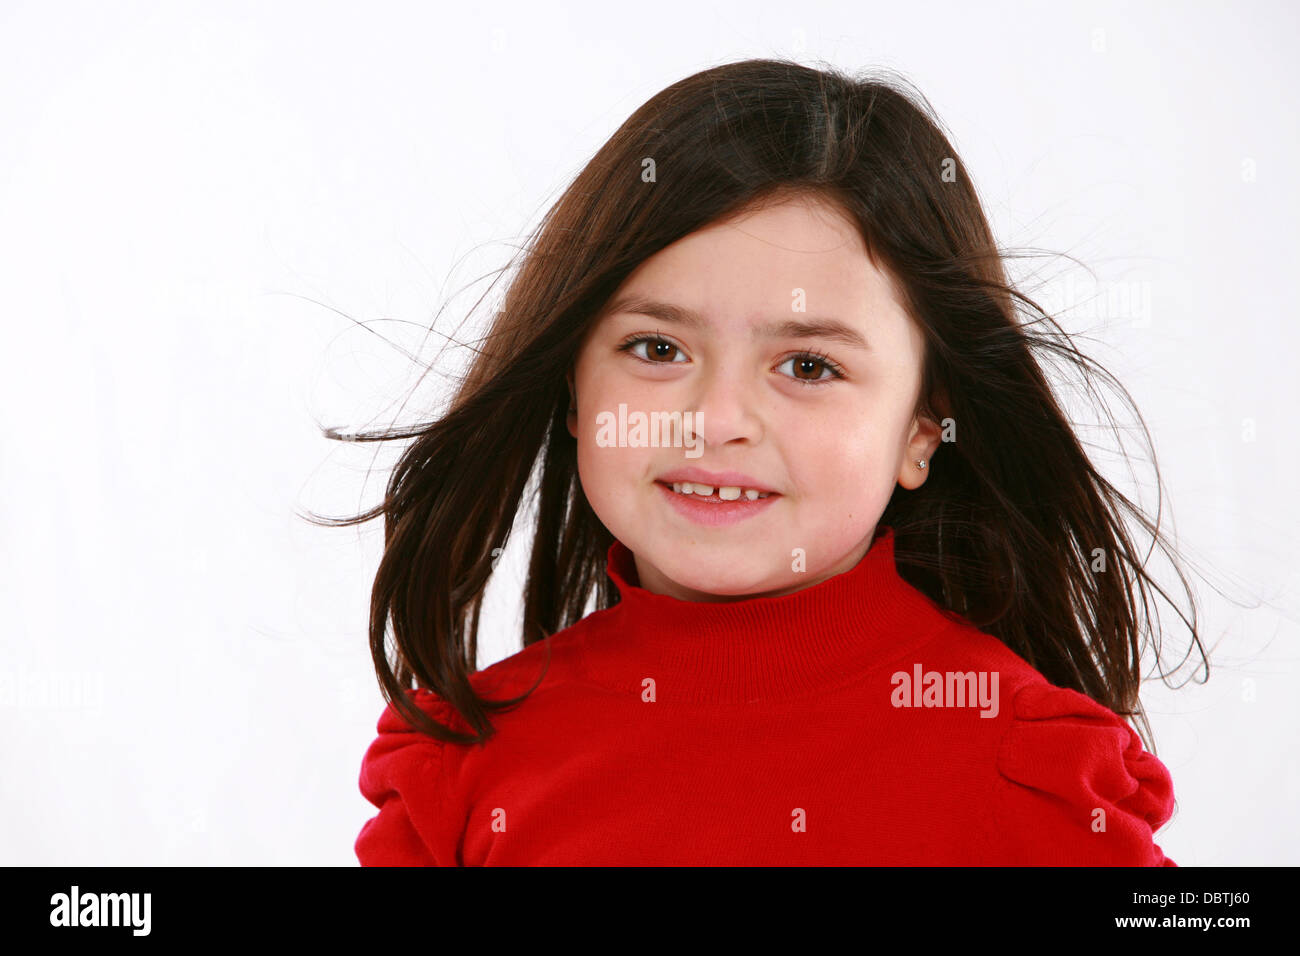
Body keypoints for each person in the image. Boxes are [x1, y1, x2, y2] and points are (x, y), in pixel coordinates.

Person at [332, 58, 1202, 865]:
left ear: (924, 428)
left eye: (810, 366)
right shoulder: (464, 777)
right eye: (656, 347)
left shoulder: (1034, 775)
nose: (715, 422)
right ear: (571, 385)